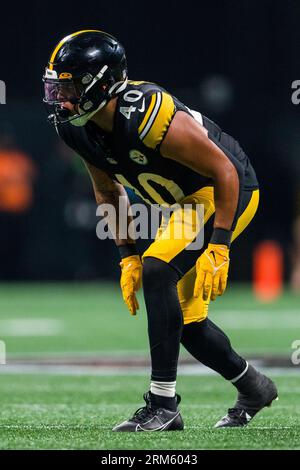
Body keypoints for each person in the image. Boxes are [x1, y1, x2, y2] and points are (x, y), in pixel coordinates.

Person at [43, 29, 278, 431]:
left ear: (100, 83)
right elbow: (107, 188)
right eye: (54, 88)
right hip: (184, 202)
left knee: (159, 271)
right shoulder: (75, 126)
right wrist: (126, 256)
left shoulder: (145, 112)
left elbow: (224, 170)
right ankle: (253, 386)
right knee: (184, 320)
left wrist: (219, 246)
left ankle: (163, 404)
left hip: (226, 188)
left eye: (68, 88)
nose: (59, 99)